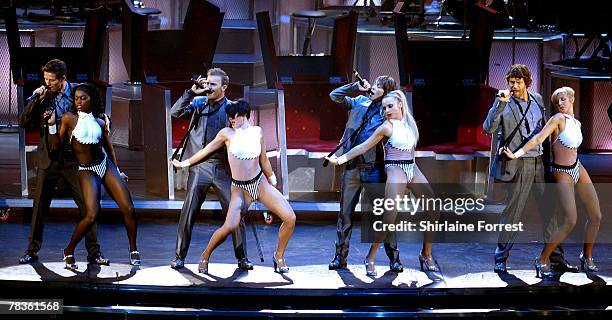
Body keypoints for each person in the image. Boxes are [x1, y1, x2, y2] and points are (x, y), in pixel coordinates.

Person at [172, 100, 296, 274]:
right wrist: (184, 163)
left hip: (260, 184)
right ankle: (205, 256)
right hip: (240, 189)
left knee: (290, 218)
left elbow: (264, 159)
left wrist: (273, 180)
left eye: (234, 116)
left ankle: (279, 256)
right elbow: (205, 151)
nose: (231, 119)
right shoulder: (226, 134)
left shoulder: (257, 132)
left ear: (244, 114)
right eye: (229, 116)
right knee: (229, 226)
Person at [327, 90, 439, 276]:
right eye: (384, 107)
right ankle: (370, 257)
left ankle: (426, 254)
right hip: (395, 168)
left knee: (434, 209)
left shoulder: (410, 124)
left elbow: (410, 150)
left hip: (412, 167)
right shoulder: (386, 127)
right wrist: (339, 160)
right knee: (388, 219)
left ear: (400, 104)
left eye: (390, 106)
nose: (386, 110)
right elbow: (362, 146)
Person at [483, 64, 577, 274]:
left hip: (539, 162)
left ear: (527, 82)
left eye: (518, 82)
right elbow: (488, 128)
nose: (513, 85)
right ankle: (501, 256)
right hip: (518, 164)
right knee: (513, 212)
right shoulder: (503, 103)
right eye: (511, 82)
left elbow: (543, 130)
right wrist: (499, 104)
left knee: (549, 210)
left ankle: (556, 257)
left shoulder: (537, 99)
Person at [501, 87, 602, 277]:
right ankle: (542, 260)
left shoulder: (577, 122)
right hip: (561, 172)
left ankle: (586, 257)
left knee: (596, 216)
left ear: (572, 99)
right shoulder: (557, 119)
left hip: (577, 167)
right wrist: (516, 154)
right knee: (570, 220)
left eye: (563, 100)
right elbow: (538, 138)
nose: (560, 104)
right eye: (557, 102)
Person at [18, 59, 108, 266]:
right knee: (39, 206)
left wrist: (104, 121)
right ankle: (32, 250)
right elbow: (24, 122)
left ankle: (94, 252)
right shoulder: (43, 96)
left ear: (63, 79)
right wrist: (34, 100)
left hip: (75, 159)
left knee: (88, 206)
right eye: (45, 79)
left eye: (51, 80)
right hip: (49, 158)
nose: (47, 83)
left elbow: (99, 113)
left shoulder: (79, 93)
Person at [169, 68, 252, 270]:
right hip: (199, 167)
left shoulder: (232, 108)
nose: (208, 87)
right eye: (207, 83)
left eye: (213, 84)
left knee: (235, 213)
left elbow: (245, 134)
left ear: (224, 87)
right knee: (188, 212)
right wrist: (191, 92)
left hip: (223, 169)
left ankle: (242, 258)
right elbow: (175, 112)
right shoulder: (198, 103)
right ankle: (179, 256)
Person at [50, 83, 139, 269]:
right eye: (76, 98)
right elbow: (56, 146)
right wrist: (51, 126)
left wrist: (118, 169)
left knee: (129, 208)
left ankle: (133, 249)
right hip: (86, 169)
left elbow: (109, 147)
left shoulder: (100, 120)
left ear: (92, 99)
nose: (79, 102)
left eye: (83, 98)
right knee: (91, 214)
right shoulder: (69, 119)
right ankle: (68, 250)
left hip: (104, 164)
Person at [327, 75, 404, 272]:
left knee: (382, 214)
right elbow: (334, 96)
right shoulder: (359, 101)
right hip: (352, 167)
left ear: (386, 92)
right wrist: (355, 86)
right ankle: (340, 257)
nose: (374, 87)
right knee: (345, 215)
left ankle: (394, 258)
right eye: (375, 84)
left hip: (374, 168)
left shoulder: (386, 112)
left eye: (379, 86)